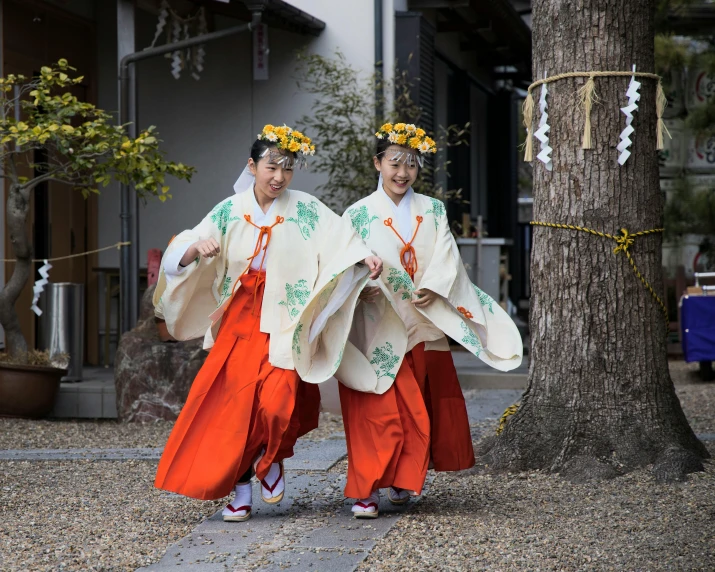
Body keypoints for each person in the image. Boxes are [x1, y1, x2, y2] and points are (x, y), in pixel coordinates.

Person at [153, 124, 383, 522]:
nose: (278, 177)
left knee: (277, 405)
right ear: (252, 166)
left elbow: (340, 239)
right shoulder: (230, 210)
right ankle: (240, 491)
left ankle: (271, 458)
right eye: (271, 167)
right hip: (241, 318)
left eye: (287, 169)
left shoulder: (306, 208)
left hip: (285, 319)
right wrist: (195, 247)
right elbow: (183, 248)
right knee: (235, 409)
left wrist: (363, 257)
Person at [336, 122, 523, 518]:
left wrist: (437, 287)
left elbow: (447, 258)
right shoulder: (356, 214)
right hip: (377, 321)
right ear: (378, 163)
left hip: (423, 318)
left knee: (417, 403)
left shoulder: (433, 210)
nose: (402, 172)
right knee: (377, 405)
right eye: (394, 163)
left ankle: (404, 476)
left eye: (411, 164)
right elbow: (342, 262)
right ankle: (365, 487)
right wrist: (360, 281)